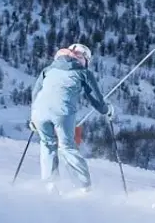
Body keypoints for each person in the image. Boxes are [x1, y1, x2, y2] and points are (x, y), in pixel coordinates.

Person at [30, 44, 112, 193]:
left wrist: (33, 118)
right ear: (84, 58)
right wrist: (107, 110)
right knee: (67, 147)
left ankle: (50, 184)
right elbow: (96, 99)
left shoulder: (48, 70)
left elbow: (35, 93)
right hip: (62, 112)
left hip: (39, 113)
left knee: (47, 144)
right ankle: (84, 187)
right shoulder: (83, 72)